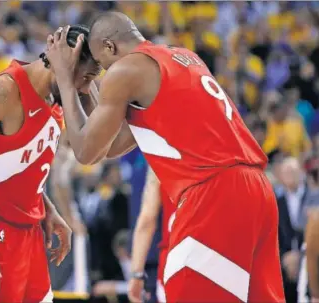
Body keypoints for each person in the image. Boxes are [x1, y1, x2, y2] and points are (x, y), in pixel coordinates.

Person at [45, 13, 285, 302]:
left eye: (102, 66)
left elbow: (84, 151)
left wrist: (65, 79)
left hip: (213, 192)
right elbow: (106, 146)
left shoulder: (127, 70)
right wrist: (86, 88)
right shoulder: (182, 58)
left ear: (110, 47)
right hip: (257, 190)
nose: (104, 74)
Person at [0, 25, 107, 303]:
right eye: (85, 78)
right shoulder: (1, 92)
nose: (86, 88)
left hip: (32, 234)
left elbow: (19, 166)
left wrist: (45, 208)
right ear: (62, 64)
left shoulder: (56, 99)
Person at [128, 167, 175, 303]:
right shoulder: (230, 148)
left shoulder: (161, 152)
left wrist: (136, 274)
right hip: (221, 257)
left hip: (174, 261)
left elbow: (147, 220)